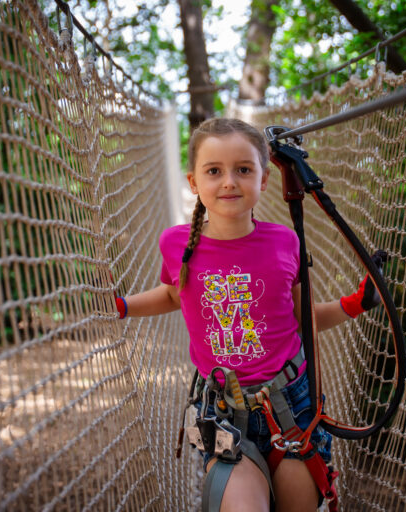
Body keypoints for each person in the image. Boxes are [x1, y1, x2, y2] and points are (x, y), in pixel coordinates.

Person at [114, 118, 386, 512]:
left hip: (291, 405)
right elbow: (174, 293)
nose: (229, 182)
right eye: (214, 171)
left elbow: (304, 321)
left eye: (243, 169)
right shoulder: (176, 244)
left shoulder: (284, 241)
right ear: (194, 182)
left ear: (262, 180)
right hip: (225, 411)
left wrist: (354, 305)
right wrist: (123, 307)